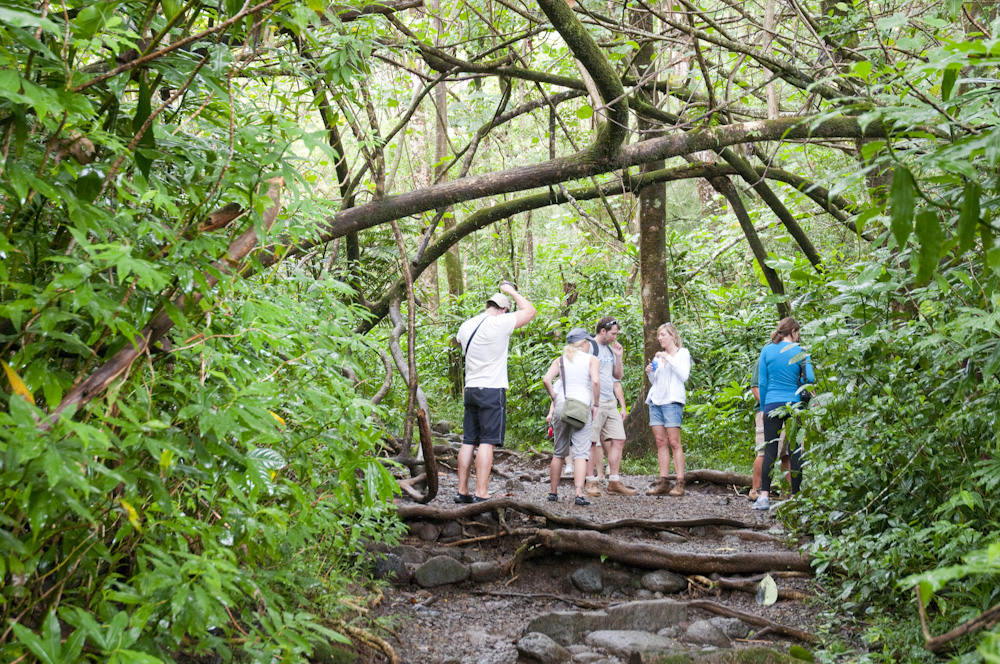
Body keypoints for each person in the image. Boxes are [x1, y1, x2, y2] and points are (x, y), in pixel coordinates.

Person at [454, 282, 536, 503]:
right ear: (503, 309)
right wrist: (511, 291)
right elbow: (530, 311)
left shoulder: (466, 326)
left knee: (468, 440)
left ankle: (462, 491)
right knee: (487, 442)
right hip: (491, 389)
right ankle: (481, 492)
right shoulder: (500, 323)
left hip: (470, 388)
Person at [752, 317, 814, 511]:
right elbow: (810, 378)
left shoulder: (767, 350)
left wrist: (763, 409)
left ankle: (764, 496)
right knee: (795, 450)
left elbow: (762, 382)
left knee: (770, 450)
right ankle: (795, 497)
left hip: (771, 404)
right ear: (794, 331)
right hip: (794, 405)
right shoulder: (801, 351)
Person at [542, 329, 601, 506]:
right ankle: (578, 494)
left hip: (562, 404)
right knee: (581, 453)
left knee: (559, 452)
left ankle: (553, 492)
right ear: (583, 343)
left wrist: (554, 397)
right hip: (581, 407)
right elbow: (596, 382)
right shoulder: (592, 359)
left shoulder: (560, 360)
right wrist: (595, 404)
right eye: (588, 342)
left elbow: (546, 380)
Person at [585, 316, 636, 497]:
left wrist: (618, 356)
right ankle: (590, 482)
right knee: (591, 442)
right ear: (603, 331)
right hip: (593, 401)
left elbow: (618, 376)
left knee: (619, 439)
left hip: (609, 401)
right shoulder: (590, 346)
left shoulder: (609, 349)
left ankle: (614, 481)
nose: (615, 337)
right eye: (613, 333)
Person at [644, 323, 691, 496]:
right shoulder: (658, 358)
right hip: (656, 401)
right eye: (659, 335)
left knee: (674, 442)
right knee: (660, 442)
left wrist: (668, 358)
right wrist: (650, 372)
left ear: (672, 336)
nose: (660, 338)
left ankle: (680, 482)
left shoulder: (682, 353)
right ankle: (663, 481)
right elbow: (656, 381)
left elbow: (683, 375)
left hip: (672, 402)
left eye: (663, 335)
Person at [749, 358, 790, 501]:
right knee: (765, 451)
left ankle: (787, 492)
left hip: (790, 410)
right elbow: (755, 387)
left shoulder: (794, 356)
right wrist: (768, 408)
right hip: (768, 411)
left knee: (788, 452)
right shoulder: (765, 357)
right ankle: (757, 489)